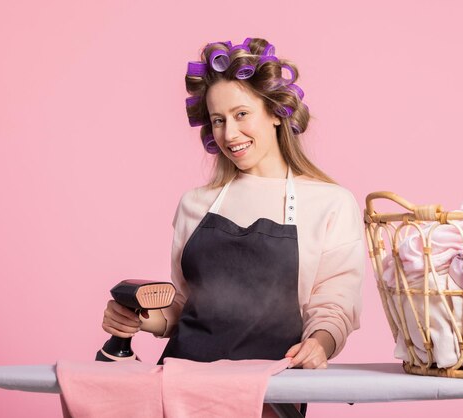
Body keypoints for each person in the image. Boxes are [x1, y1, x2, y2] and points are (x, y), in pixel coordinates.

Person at [102, 36, 364, 379]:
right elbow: (183, 304)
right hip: (181, 382)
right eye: (218, 120)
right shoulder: (195, 203)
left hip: (271, 388)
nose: (229, 134)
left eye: (242, 114)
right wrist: (136, 318)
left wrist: (319, 343)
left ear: (275, 112)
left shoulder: (331, 203)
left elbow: (335, 306)